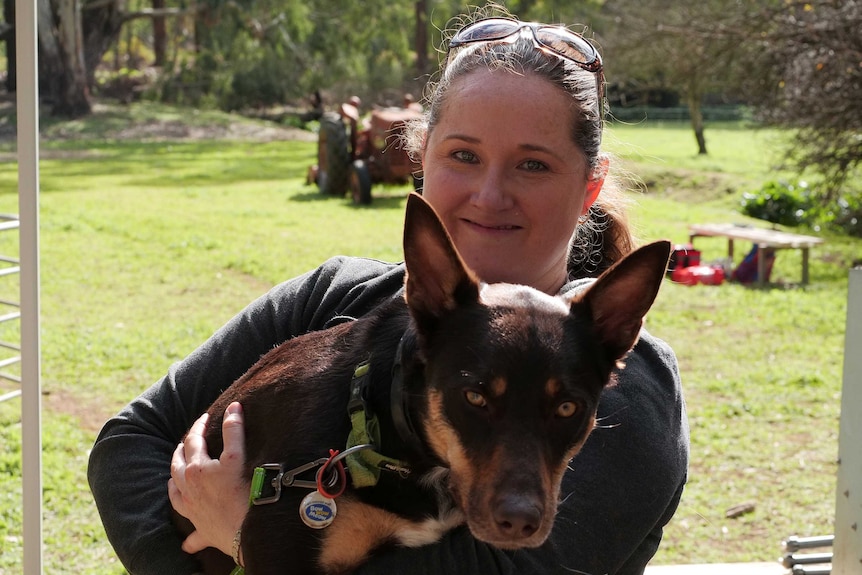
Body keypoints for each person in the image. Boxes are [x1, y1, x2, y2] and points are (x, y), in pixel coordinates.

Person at [88, 7, 688, 575]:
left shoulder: (624, 377)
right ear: (420, 156)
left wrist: (248, 536)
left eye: (533, 165)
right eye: (464, 155)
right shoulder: (332, 298)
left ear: (590, 185)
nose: (489, 194)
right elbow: (129, 444)